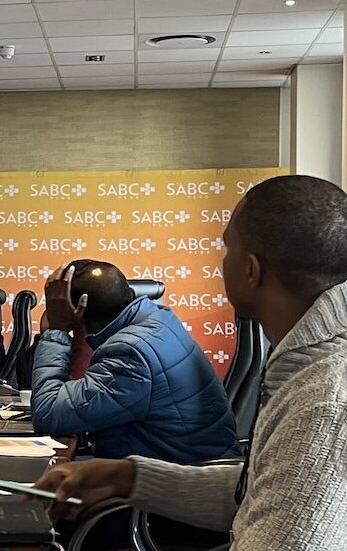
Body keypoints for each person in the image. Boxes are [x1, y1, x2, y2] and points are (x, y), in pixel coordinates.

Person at [36, 175, 347, 549]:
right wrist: (126, 476)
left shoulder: (324, 402)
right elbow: (251, 493)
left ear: (251, 270)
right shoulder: (306, 369)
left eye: (227, 248)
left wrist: (55, 331)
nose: (222, 261)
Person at [30, 258, 237, 463]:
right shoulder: (157, 319)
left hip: (182, 480)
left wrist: (56, 331)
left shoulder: (130, 354)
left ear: (79, 313)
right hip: (182, 461)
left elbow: (48, 413)